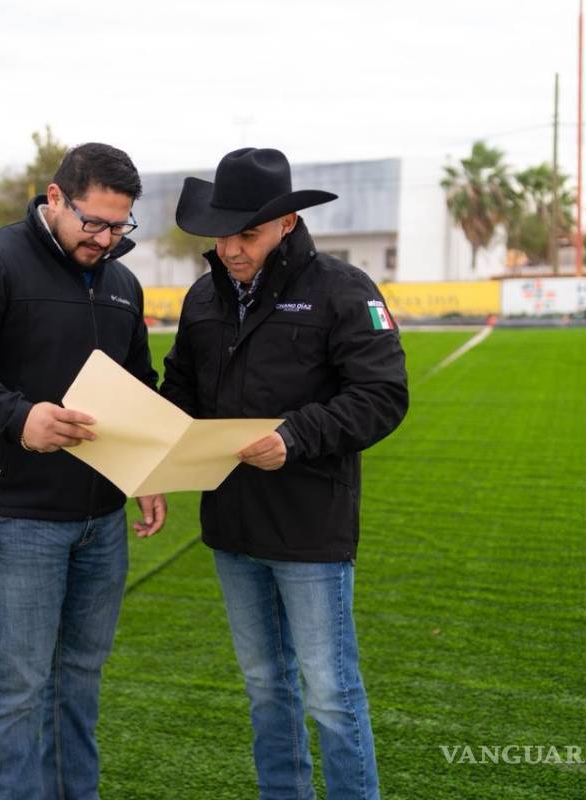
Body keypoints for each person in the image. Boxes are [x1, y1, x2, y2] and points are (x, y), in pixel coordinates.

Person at [159, 148, 408, 800]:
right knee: (265, 685)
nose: (233, 248)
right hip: (231, 530)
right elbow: (181, 393)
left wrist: (294, 437)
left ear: (287, 225)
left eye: (250, 233)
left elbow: (382, 395)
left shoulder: (343, 290)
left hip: (308, 529)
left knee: (329, 691)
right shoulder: (201, 298)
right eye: (224, 233)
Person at [0, 142, 167, 800]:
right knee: (20, 691)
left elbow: (137, 383)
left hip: (101, 520)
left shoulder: (121, 281)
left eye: (121, 226)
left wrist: (144, 469)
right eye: (95, 222)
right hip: (18, 518)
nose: (108, 239)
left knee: (79, 682)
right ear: (53, 198)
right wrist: (19, 417)